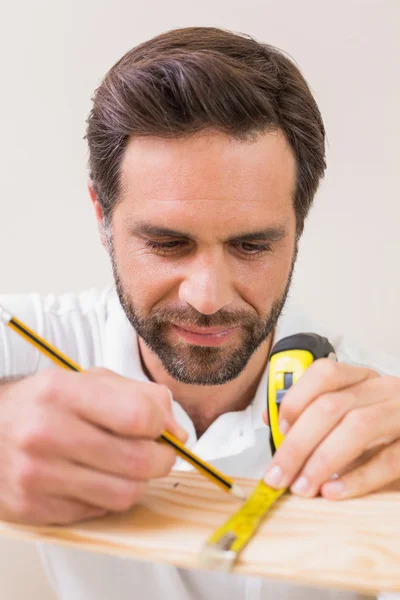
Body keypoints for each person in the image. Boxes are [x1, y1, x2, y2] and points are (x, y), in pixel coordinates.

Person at [0, 26, 399, 600]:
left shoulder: (383, 417)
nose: (207, 296)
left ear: (299, 227)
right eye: (167, 244)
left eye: (251, 246)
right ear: (102, 216)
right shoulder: (41, 342)